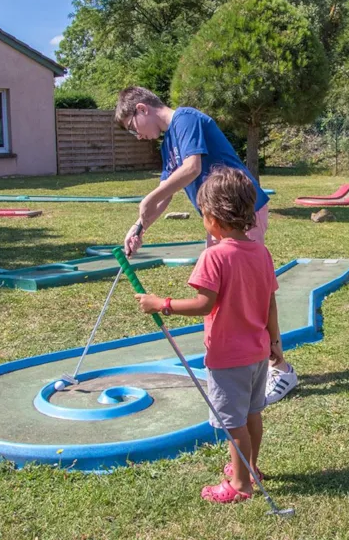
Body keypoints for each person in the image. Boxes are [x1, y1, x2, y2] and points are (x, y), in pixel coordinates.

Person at [115, 86, 298, 403]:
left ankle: (279, 368)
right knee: (222, 291)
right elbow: (167, 191)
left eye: (133, 127)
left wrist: (149, 198)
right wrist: (140, 226)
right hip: (218, 220)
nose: (137, 136)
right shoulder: (169, 142)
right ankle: (241, 361)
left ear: (142, 109)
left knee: (254, 292)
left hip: (242, 212)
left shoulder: (185, 120)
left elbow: (192, 168)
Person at [135, 167, 283, 503]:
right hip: (258, 352)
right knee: (252, 414)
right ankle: (250, 468)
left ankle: (241, 485)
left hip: (228, 357)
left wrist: (162, 304)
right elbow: (271, 303)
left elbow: (204, 304)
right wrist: (275, 342)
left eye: (203, 214)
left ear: (214, 217)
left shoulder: (214, 256)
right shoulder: (261, 252)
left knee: (234, 425)